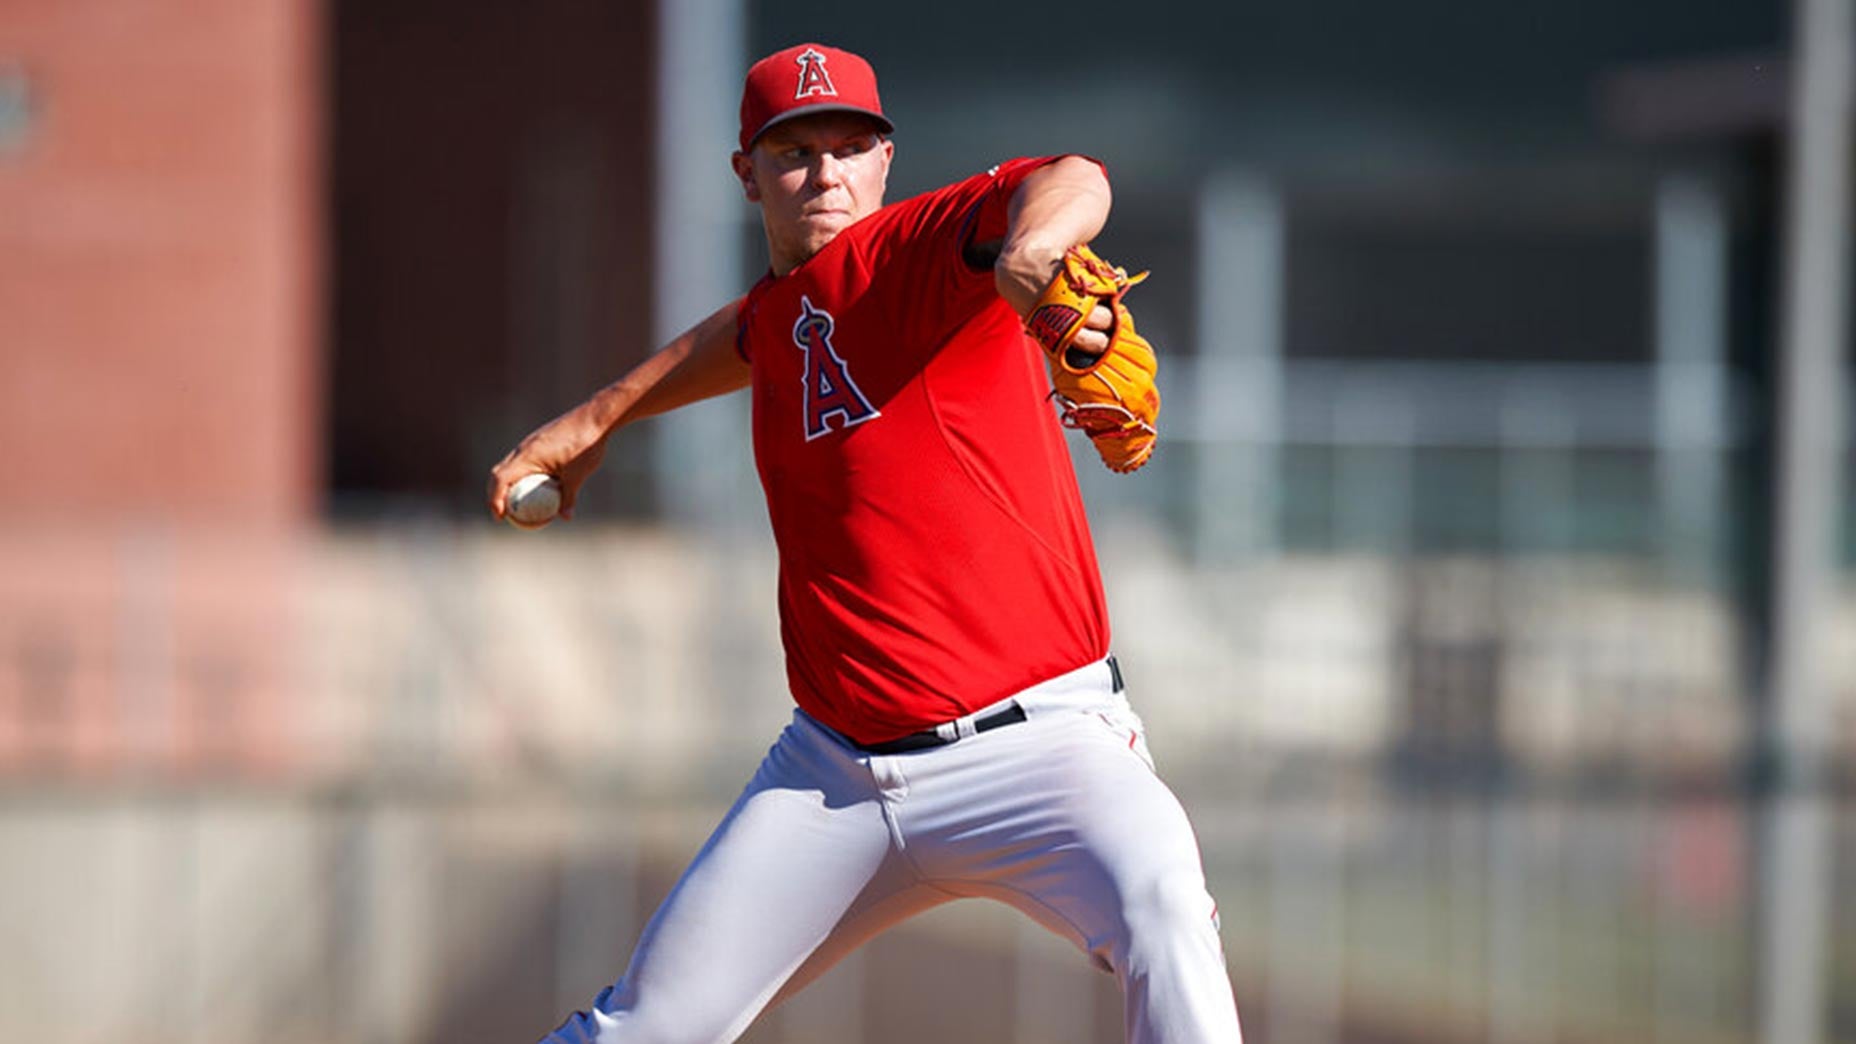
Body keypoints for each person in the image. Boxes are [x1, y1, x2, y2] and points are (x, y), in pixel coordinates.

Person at [488, 42, 1243, 1044]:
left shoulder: (931, 249)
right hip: (832, 779)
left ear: (887, 160)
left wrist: (1031, 253)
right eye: (795, 151)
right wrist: (598, 419)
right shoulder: (782, 312)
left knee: (1164, 913)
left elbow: (1072, 177)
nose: (826, 173)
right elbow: (745, 335)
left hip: (1045, 752)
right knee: (643, 1029)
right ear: (745, 173)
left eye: (850, 145)